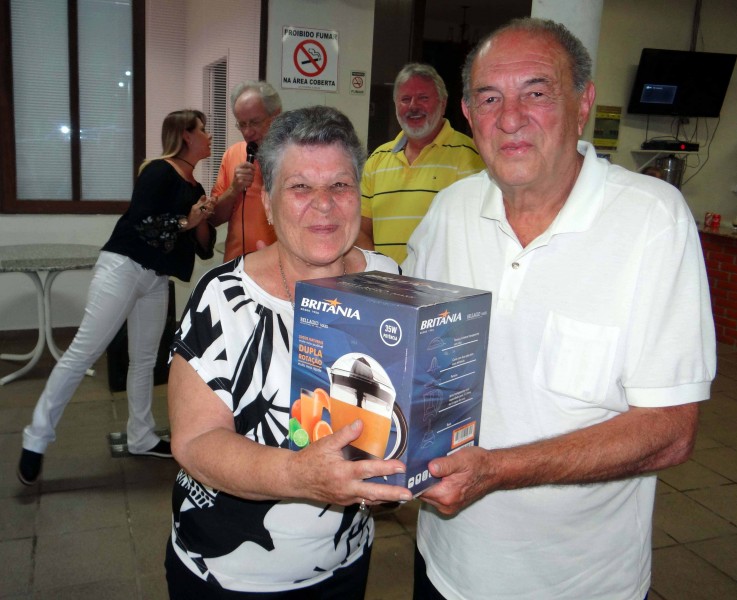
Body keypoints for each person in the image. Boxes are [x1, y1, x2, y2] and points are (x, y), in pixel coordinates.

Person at [403, 18, 716, 600]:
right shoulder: (449, 211)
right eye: (489, 98)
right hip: (445, 564)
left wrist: (496, 469)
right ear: (468, 114)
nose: (510, 118)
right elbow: (407, 353)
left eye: (537, 92)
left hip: (580, 582)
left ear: (583, 104)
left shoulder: (652, 220)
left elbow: (670, 431)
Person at [165, 105, 413, 598]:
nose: (324, 205)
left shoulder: (388, 281)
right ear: (269, 202)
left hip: (344, 564)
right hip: (229, 574)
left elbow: (395, 413)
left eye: (340, 185)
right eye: (301, 187)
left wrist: (391, 477)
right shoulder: (223, 298)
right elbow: (195, 442)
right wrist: (299, 476)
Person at [17, 109, 217, 486]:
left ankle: (141, 437)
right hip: (123, 268)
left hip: (155, 278)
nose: (209, 136)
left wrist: (202, 217)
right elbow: (142, 221)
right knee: (83, 352)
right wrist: (185, 221)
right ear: (186, 135)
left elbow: (203, 247)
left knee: (144, 360)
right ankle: (35, 439)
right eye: (203, 130)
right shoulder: (157, 171)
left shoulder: (195, 188)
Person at [359, 63, 485, 263]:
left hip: (439, 281)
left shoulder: (470, 155)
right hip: (383, 280)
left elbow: (477, 234)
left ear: (443, 103)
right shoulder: (377, 160)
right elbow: (361, 231)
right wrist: (380, 270)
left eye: (423, 98)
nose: (413, 106)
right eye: (405, 99)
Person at [210, 80, 282, 261]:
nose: (248, 132)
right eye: (242, 124)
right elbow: (213, 219)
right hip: (236, 264)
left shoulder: (296, 156)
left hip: (280, 266)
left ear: (276, 116)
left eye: (255, 122)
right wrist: (233, 190)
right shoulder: (232, 154)